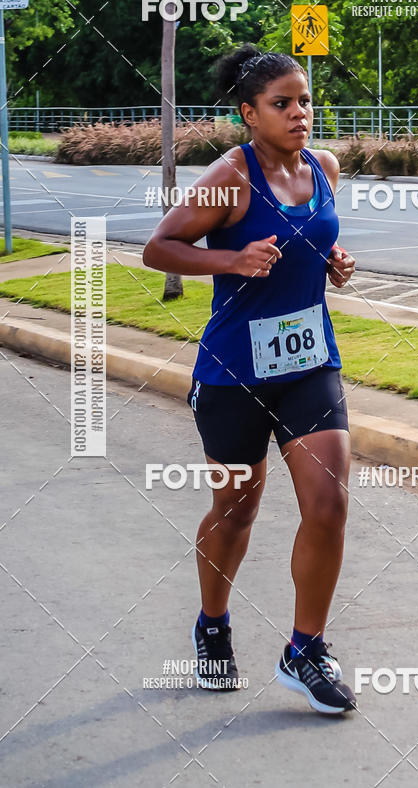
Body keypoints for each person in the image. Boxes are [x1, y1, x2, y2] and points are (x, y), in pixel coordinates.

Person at [142, 43, 357, 715]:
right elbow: (159, 248)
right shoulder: (229, 179)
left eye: (306, 101)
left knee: (329, 503)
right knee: (236, 510)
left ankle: (306, 649)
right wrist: (233, 260)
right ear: (249, 114)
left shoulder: (323, 167)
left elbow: (309, 242)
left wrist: (332, 262)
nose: (300, 114)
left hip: (309, 364)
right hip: (235, 370)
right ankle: (212, 624)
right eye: (282, 104)